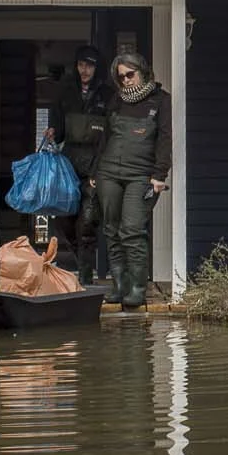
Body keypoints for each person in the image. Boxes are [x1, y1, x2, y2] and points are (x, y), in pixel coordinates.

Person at [94, 51, 172, 310]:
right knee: (111, 230)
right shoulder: (116, 101)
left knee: (132, 230)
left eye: (130, 74)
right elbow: (105, 138)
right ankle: (119, 286)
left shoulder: (161, 101)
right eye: (121, 77)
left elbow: (165, 139)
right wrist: (96, 172)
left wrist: (160, 175)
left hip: (140, 174)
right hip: (108, 173)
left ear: (143, 72)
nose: (126, 80)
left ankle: (138, 288)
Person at [46, 44, 112, 285]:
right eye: (81, 65)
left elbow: (112, 136)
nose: (85, 70)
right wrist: (53, 132)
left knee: (88, 221)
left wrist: (101, 168)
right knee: (63, 217)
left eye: (90, 65)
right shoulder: (65, 93)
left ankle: (85, 275)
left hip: (96, 166)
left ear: (97, 68)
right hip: (69, 165)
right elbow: (59, 133)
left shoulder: (107, 95)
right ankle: (82, 262)